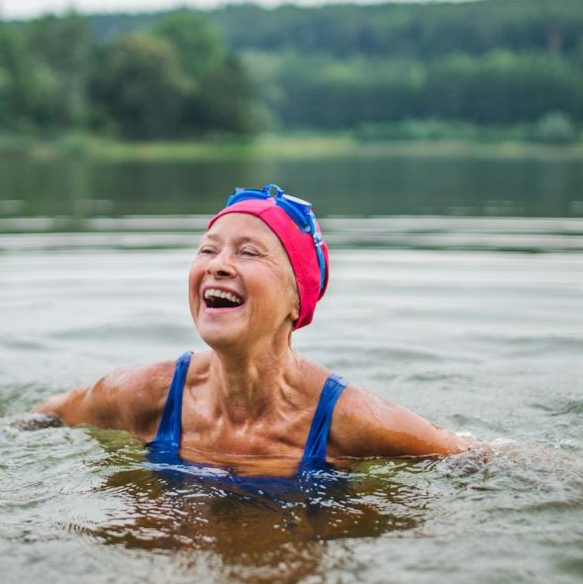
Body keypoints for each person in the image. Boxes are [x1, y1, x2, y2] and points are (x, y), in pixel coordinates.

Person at [30, 184, 483, 478]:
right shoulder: (144, 394)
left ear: (296, 301)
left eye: (248, 253)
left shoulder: (349, 421)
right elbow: (41, 418)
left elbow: (475, 457)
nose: (219, 265)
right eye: (208, 249)